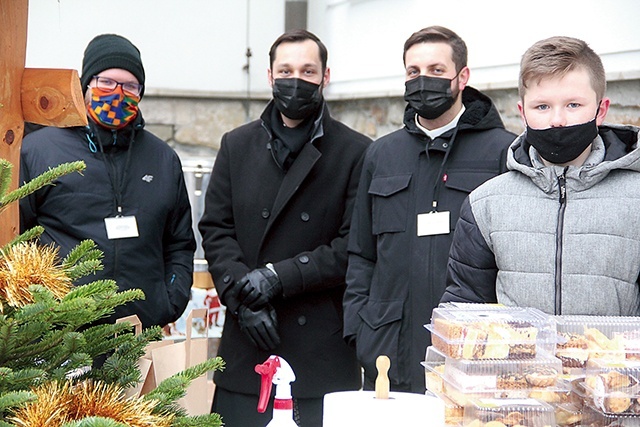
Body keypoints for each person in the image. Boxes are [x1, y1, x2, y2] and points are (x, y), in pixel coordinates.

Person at [198, 29, 370, 426]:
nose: (297, 80)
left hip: (320, 353)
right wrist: (245, 301)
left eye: (308, 71)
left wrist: (277, 278)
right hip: (250, 344)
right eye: (287, 70)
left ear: (326, 77)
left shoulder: (356, 151)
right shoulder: (235, 145)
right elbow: (216, 229)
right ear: (270, 76)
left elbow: (352, 246)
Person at [343, 26, 516, 394]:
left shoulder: (502, 152)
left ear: (462, 77)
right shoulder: (381, 155)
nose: (424, 81)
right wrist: (360, 330)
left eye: (437, 70)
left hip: (471, 356)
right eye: (413, 72)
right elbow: (361, 254)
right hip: (389, 353)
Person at [441, 36, 640, 316]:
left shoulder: (636, 198)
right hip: (520, 361)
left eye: (573, 105)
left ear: (600, 110)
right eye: (542, 107)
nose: (557, 120)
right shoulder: (486, 204)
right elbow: (463, 310)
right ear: (523, 113)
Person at [20, 34, 196, 328]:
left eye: (130, 86)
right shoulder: (39, 150)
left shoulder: (163, 159)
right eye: (106, 82)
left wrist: (170, 300)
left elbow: (179, 242)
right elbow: (18, 236)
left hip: (139, 332)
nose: (117, 93)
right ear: (86, 84)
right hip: (60, 337)